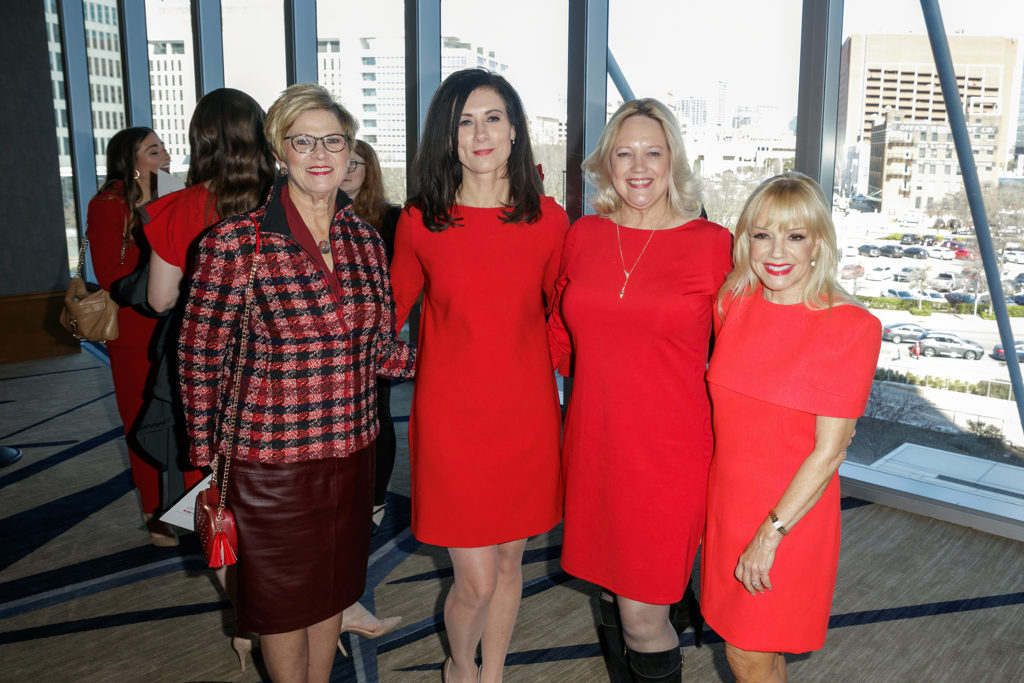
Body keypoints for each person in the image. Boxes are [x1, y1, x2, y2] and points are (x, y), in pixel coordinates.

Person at [177, 82, 414, 683]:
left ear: (349, 149)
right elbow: (198, 357)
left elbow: (381, 353)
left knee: (331, 592)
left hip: (351, 452)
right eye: (303, 140)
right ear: (280, 150)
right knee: (282, 605)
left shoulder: (364, 240)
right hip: (269, 464)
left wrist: (464, 357)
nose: (320, 152)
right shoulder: (235, 244)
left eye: (333, 140)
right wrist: (209, 461)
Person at [389, 68, 568, 683]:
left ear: (515, 130)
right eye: (464, 121)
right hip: (451, 423)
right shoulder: (420, 222)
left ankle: (492, 674)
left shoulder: (549, 219)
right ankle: (458, 666)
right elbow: (386, 317)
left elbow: (565, 315)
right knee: (477, 578)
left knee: (512, 567)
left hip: (526, 420)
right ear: (448, 137)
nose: (480, 132)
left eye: (492, 117)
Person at [548, 98, 732, 683]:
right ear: (605, 163)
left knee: (643, 616)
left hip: (668, 456)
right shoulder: (586, 236)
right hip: (595, 444)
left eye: (654, 152)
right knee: (608, 589)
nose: (639, 166)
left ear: (675, 161)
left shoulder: (712, 244)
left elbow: (746, 348)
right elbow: (557, 336)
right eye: (624, 153)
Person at [702, 172, 881, 682]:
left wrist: (769, 535)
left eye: (795, 236)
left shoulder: (850, 328)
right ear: (746, 241)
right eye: (763, 234)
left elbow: (830, 452)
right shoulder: (731, 305)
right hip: (728, 504)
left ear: (818, 243)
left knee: (746, 653)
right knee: (759, 649)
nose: (776, 250)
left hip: (789, 518)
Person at [85, 127, 173, 545]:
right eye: (153, 151)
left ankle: (184, 499)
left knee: (179, 416)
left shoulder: (174, 195)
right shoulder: (109, 205)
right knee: (141, 417)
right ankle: (154, 510)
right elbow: (110, 275)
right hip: (136, 329)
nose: (165, 156)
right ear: (130, 159)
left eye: (163, 148)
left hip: (177, 321)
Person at [342, 138, 403, 535]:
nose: (346, 169)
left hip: (376, 340)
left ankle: (376, 497)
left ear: (370, 170)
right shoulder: (309, 216)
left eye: (355, 163)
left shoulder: (391, 219)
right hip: (326, 343)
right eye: (341, 161)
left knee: (377, 415)